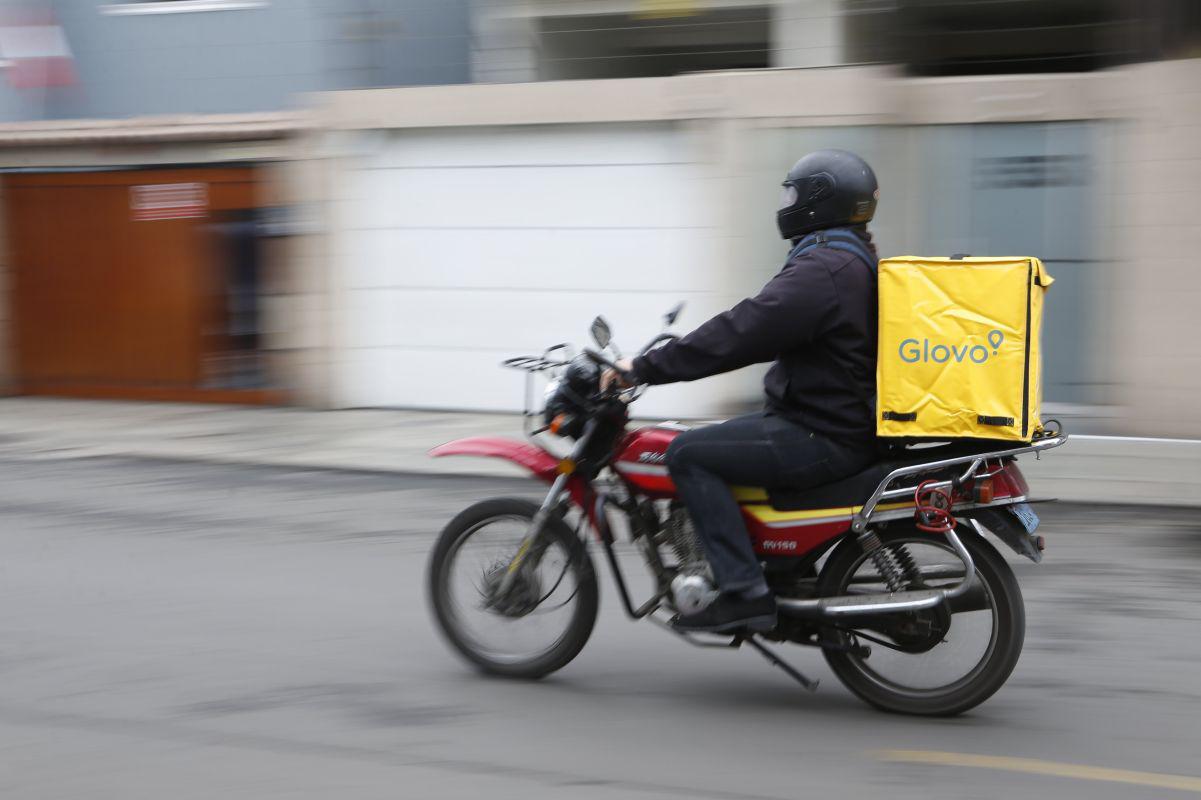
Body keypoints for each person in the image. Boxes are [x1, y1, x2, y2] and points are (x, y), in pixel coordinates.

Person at [604, 149, 881, 633]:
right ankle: (776, 573)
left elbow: (743, 331)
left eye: (793, 193)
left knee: (689, 453)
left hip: (821, 432)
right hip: (826, 420)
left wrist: (645, 368)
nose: (786, 203)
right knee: (721, 439)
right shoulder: (848, 257)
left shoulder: (825, 269)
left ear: (820, 200)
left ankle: (744, 592)